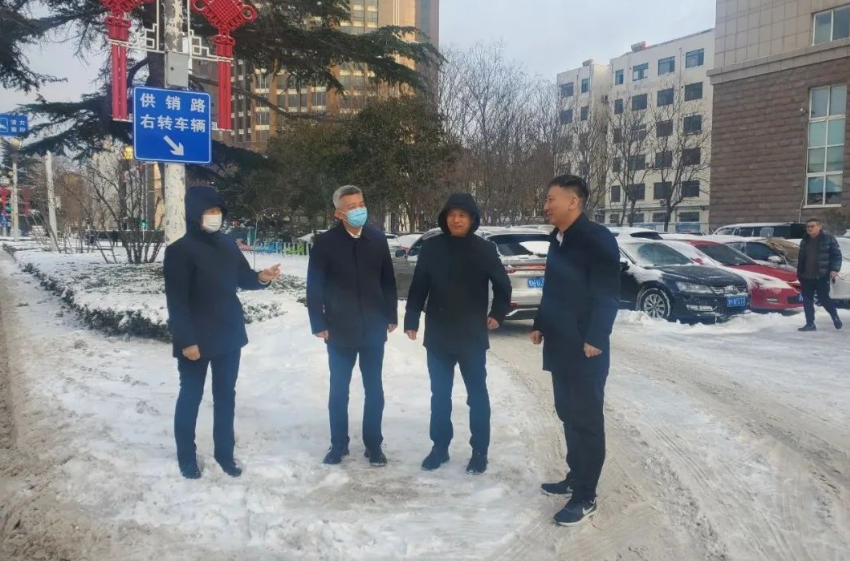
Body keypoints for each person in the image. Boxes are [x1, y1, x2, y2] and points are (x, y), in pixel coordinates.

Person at [164, 185, 281, 479]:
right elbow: (177, 301)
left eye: (218, 211)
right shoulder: (179, 251)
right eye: (209, 211)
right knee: (190, 396)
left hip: (228, 333)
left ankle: (224, 454)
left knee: (225, 396)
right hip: (196, 338)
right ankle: (186, 457)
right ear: (195, 214)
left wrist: (261, 277)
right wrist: (187, 341)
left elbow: (242, 277)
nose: (215, 216)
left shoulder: (228, 244)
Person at [530, 175, 620, 526]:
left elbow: (607, 293)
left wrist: (596, 337)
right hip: (560, 344)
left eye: (551, 199)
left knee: (586, 420)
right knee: (567, 412)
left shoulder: (597, 238)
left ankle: (586, 495)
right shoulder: (558, 239)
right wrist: (539, 322)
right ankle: (575, 474)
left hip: (586, 347)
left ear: (573, 201)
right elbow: (552, 290)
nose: (546, 206)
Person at [404, 194, 512, 475]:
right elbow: (419, 286)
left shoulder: (484, 249)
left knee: (477, 396)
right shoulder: (432, 248)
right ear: (445, 218)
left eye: (462, 215)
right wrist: (411, 319)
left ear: (472, 218)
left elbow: (503, 286)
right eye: (452, 214)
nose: (456, 219)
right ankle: (439, 447)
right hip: (439, 335)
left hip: (471, 336)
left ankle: (480, 451)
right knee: (439, 395)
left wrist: (497, 313)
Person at [306, 185, 398, 467]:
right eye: (351, 207)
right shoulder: (325, 243)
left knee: (374, 390)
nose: (358, 210)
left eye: (361, 204)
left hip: (373, 328)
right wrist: (318, 322)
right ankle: (339, 444)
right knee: (338, 390)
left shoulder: (377, 239)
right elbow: (314, 286)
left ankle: (374, 445)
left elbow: (387, 280)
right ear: (339, 213)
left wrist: (391, 315)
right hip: (339, 329)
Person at [797, 218, 843, 332]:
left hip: (821, 275)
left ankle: (834, 316)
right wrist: (799, 273)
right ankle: (810, 323)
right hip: (806, 276)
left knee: (824, 299)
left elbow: (836, 255)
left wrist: (834, 269)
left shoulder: (828, 239)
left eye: (812, 226)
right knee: (807, 301)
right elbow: (801, 258)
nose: (810, 228)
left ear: (819, 227)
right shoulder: (804, 240)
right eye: (808, 226)